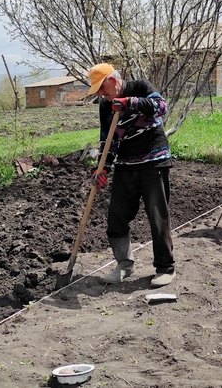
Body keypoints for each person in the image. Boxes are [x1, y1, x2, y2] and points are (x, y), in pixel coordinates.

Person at [87, 63, 176, 288]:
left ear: (113, 81)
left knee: (158, 217)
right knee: (116, 216)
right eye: (97, 91)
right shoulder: (105, 106)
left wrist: (130, 103)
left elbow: (162, 107)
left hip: (154, 160)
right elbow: (107, 140)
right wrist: (102, 168)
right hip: (126, 164)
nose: (101, 94)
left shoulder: (140, 87)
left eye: (102, 88)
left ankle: (165, 268)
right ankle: (125, 264)